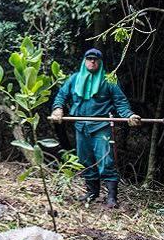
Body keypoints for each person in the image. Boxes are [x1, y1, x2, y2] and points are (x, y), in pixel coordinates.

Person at [51, 48, 141, 208]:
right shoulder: (74, 79)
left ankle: (112, 198)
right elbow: (61, 96)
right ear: (84, 61)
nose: (92, 62)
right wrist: (58, 108)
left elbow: (120, 102)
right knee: (85, 160)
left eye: (95, 59)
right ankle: (92, 193)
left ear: (100, 62)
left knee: (106, 161)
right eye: (89, 59)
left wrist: (129, 116)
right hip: (80, 126)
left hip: (101, 127)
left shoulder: (109, 81)